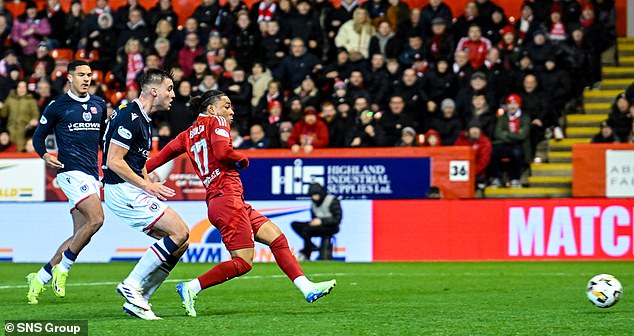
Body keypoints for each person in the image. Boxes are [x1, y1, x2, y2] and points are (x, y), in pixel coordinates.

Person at [145, 89, 336, 318]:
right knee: (243, 263)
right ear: (212, 109)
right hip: (227, 199)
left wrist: (127, 173)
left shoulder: (185, 136)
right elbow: (223, 151)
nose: (231, 111)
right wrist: (240, 158)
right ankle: (191, 287)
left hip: (226, 200)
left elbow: (155, 160)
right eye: (226, 106)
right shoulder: (217, 121)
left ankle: (306, 287)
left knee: (276, 237)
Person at [102, 69, 190, 320]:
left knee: (181, 242)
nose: (172, 95)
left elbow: (135, 160)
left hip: (129, 187)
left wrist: (148, 178)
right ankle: (131, 285)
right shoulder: (129, 116)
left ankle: (141, 299)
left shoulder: (142, 118)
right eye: (169, 89)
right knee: (179, 231)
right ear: (154, 91)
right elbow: (114, 161)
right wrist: (146, 186)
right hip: (121, 189)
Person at [25, 60, 107, 305]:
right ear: (70, 77)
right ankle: (64, 269)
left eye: (89, 74)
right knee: (97, 219)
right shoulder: (57, 106)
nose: (86, 78)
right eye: (81, 74)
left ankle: (39, 277)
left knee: (80, 235)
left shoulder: (99, 104)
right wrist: (45, 155)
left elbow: (103, 138)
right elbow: (39, 137)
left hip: (92, 175)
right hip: (70, 172)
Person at [291, 182, 342, 261]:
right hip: (318, 226)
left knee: (307, 230)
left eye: (315, 195)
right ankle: (310, 246)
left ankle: (307, 250)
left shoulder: (331, 200)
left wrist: (322, 221)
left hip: (331, 226)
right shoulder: (313, 204)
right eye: (312, 195)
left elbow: (337, 219)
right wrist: (314, 222)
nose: (314, 197)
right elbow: (314, 217)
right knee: (296, 225)